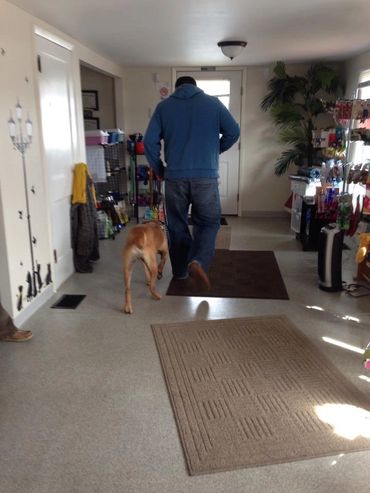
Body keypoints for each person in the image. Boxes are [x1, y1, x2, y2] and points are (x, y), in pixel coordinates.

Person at [144, 76, 240, 290]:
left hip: (174, 178)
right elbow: (234, 132)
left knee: (177, 225)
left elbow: (149, 142)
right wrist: (214, 151)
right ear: (196, 88)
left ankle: (179, 272)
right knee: (208, 223)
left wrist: (160, 169)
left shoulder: (164, 107)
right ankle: (198, 261)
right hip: (205, 178)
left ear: (177, 89)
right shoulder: (213, 103)